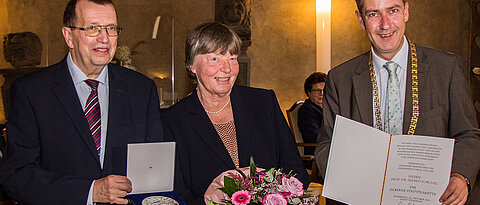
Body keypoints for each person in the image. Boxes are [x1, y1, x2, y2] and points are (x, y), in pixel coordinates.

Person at [315, 0, 480, 205]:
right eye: (373, 14)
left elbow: (468, 134)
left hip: (432, 198)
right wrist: (348, 179)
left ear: (406, 12)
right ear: (360, 19)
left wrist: (460, 176)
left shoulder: (446, 68)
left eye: (392, 11)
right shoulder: (340, 78)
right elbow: (326, 145)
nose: (385, 25)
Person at [0, 0, 163, 204]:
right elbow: (17, 174)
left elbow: (155, 170)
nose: (104, 38)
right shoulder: (32, 92)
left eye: (111, 28)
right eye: (92, 28)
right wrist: (89, 191)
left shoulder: (141, 90)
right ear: (68, 36)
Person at [163, 22, 309, 204]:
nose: (226, 68)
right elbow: (174, 195)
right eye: (215, 59)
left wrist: (270, 190)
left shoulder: (264, 103)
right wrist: (210, 200)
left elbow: (296, 170)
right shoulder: (172, 121)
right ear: (192, 65)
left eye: (232, 58)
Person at [298, 72, 327, 156]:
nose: (322, 94)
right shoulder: (306, 110)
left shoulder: (330, 109)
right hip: (318, 153)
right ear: (309, 92)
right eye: (317, 90)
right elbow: (314, 136)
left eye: (324, 90)